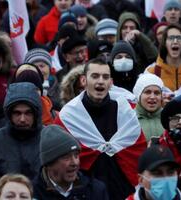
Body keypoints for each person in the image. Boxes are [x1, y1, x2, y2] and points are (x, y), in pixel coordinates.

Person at [55, 57, 146, 200]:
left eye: (105, 77)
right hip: (85, 191)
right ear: (84, 81)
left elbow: (137, 152)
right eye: (95, 76)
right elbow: (59, 160)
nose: (100, 81)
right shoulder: (68, 116)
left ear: (111, 82)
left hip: (123, 190)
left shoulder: (125, 111)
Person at [0, 82, 43, 181]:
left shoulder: (49, 139)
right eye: (17, 113)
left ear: (36, 114)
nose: (22, 119)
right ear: (9, 114)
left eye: (28, 113)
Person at [33, 125, 109, 199]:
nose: (74, 163)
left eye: (76, 156)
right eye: (66, 157)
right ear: (49, 163)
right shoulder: (31, 193)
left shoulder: (96, 190)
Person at [145, 24, 181, 92]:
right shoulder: (152, 72)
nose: (175, 41)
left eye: (179, 38)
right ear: (164, 43)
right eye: (171, 38)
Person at [133, 74, 164, 142]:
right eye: (147, 92)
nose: (152, 97)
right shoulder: (129, 119)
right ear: (139, 95)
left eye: (157, 93)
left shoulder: (169, 118)